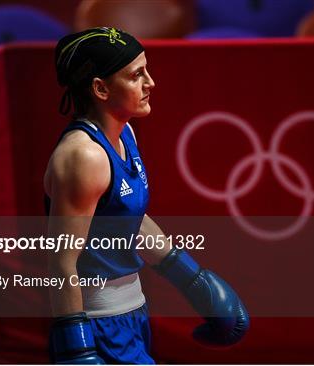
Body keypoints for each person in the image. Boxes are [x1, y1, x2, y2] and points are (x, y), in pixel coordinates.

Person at [44, 27, 249, 364]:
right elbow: (61, 261)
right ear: (101, 88)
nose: (150, 83)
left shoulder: (125, 135)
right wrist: (76, 347)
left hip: (132, 316)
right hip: (98, 326)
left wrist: (195, 281)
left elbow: (127, 220)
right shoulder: (83, 156)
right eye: (137, 75)